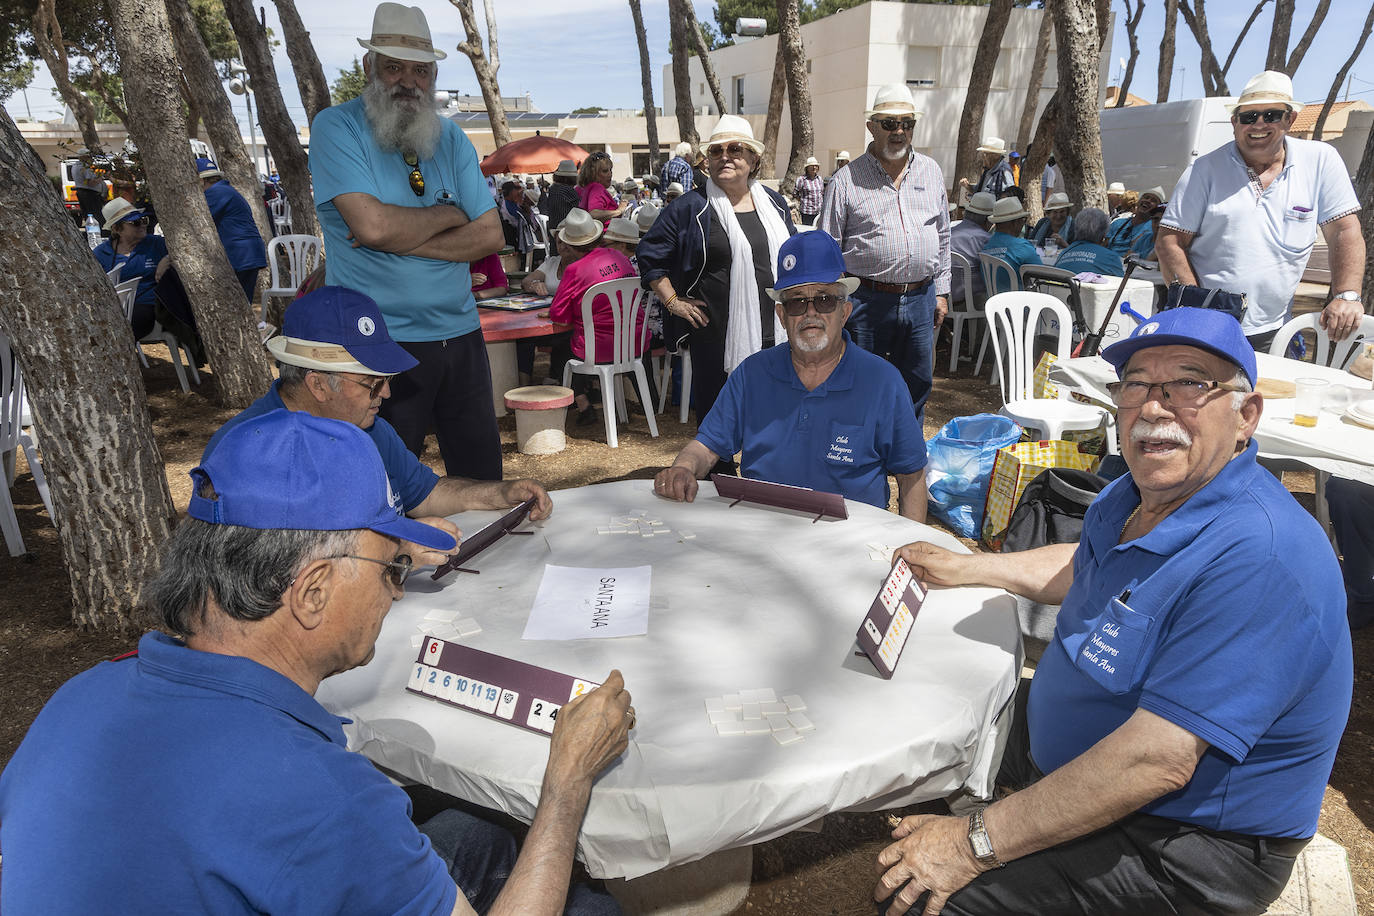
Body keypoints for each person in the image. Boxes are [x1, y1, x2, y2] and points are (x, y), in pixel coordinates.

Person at [0, 408, 629, 914]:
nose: (397, 589)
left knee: (479, 835)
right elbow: (308, 823)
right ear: (312, 592)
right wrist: (567, 783)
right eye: (392, 566)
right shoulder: (321, 799)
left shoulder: (82, 692)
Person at [876, 307, 1351, 916]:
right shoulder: (1133, 494)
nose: (1155, 406)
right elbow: (1090, 564)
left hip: (1185, 844)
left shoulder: (1263, 556)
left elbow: (1158, 759)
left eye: (1190, 383)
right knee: (943, 699)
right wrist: (972, 568)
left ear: (1246, 416)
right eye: (1137, 384)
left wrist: (975, 844)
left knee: (926, 906)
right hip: (1094, 760)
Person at [308, 2, 506, 482]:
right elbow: (373, 226)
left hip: (460, 336)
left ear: (433, 76)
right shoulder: (338, 127)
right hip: (376, 343)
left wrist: (397, 235)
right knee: (382, 487)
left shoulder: (453, 138)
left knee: (482, 478)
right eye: (393, 66)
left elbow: (490, 234)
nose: (407, 81)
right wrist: (448, 214)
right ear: (369, 68)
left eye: (420, 71)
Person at [205, 286, 551, 537]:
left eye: (386, 380)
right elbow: (286, 569)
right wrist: (394, 554)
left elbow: (427, 494)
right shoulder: (247, 454)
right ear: (318, 384)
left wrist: (500, 494)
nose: (385, 393)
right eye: (372, 383)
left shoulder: (367, 426)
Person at [653, 231, 927, 518]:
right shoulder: (752, 374)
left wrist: (912, 553)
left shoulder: (882, 382)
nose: (811, 313)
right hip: (764, 534)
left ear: (844, 312)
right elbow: (706, 446)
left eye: (824, 300)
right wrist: (683, 468)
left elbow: (911, 477)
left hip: (851, 545)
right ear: (782, 316)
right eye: (797, 302)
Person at [1155, 69, 1365, 351]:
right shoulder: (1204, 170)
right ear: (1234, 122)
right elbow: (1170, 241)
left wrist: (1347, 295)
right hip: (1205, 325)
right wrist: (1198, 309)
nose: (1259, 124)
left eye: (1272, 115)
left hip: (1275, 330)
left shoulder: (1320, 161)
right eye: (1249, 117)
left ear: (1290, 119)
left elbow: (1344, 230)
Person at [638, 115, 794, 426]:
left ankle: (761, 470)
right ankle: (716, 473)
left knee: (773, 407)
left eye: (735, 149)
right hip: (715, 332)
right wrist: (673, 302)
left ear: (752, 158)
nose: (725, 157)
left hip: (775, 326)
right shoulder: (691, 207)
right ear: (706, 160)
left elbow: (791, 257)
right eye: (715, 151)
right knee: (717, 410)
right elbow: (649, 254)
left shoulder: (774, 204)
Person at [817, 83, 950, 422]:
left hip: (922, 297)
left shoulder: (931, 172)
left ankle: (906, 458)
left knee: (917, 383)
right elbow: (828, 247)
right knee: (861, 383)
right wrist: (835, 304)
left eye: (907, 123)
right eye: (889, 124)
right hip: (866, 300)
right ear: (871, 127)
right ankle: (862, 457)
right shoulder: (846, 180)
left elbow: (943, 235)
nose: (899, 131)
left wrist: (942, 293)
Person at [546, 210, 642, 425]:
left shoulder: (574, 270)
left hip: (598, 349)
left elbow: (559, 317)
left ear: (569, 244)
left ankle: (582, 403)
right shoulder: (620, 257)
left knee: (562, 347)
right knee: (571, 344)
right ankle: (589, 397)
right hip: (632, 343)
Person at [91, 198, 170, 337]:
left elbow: (185, 249)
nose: (143, 225)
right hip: (115, 310)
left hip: (149, 307)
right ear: (116, 229)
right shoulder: (101, 254)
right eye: (135, 223)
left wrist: (168, 259)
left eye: (144, 220)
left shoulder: (156, 244)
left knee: (129, 322)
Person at [197, 157, 268, 304]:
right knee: (243, 302)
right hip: (248, 253)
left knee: (236, 304)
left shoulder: (216, 192)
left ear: (202, 181)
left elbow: (197, 220)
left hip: (240, 254)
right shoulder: (226, 190)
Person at [980, 197, 1041, 295]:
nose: (1023, 224)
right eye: (1022, 220)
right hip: (1022, 306)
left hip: (993, 306)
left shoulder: (985, 248)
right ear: (1015, 222)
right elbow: (1042, 277)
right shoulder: (1022, 246)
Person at [949, 192, 996, 305]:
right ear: (988, 220)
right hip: (971, 303)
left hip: (943, 299)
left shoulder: (950, 232)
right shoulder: (986, 239)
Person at [1051, 207, 1123, 277]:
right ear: (1104, 233)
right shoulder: (1111, 258)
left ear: (1076, 229)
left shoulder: (1063, 254)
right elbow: (1122, 285)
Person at [1105, 185, 1165, 260]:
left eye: (1153, 200)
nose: (1148, 201)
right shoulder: (1117, 223)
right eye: (1146, 197)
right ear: (1138, 201)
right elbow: (1104, 245)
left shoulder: (1154, 227)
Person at [576, 152, 626, 224]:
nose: (610, 174)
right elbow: (594, 214)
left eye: (610, 170)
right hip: (604, 233)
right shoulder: (597, 188)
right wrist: (619, 211)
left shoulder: (582, 188)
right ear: (593, 173)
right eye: (605, 171)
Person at [544, 158, 581, 231]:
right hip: (566, 232)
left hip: (554, 229)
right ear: (569, 178)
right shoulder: (568, 190)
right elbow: (580, 210)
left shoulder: (552, 188)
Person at [794, 156, 824, 225]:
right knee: (808, 232)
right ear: (807, 168)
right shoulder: (801, 179)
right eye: (811, 166)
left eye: (816, 166)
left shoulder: (819, 179)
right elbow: (795, 193)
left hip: (819, 212)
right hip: (807, 212)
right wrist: (803, 201)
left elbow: (822, 193)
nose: (814, 168)